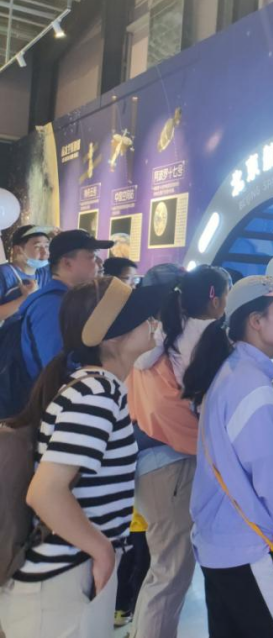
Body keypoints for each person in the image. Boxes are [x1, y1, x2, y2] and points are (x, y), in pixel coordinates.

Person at [0, 277, 165, 637]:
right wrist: (102, 551)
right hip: (61, 586)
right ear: (111, 336)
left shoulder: (97, 388)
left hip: (69, 579)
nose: (154, 322)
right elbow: (45, 492)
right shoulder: (96, 393)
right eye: (142, 317)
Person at [184, 275, 273, 637]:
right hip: (249, 548)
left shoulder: (232, 372)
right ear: (256, 321)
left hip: (221, 544)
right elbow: (270, 479)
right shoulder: (252, 385)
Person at [128, 266, 230, 638]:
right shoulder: (198, 339)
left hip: (151, 462)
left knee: (165, 573)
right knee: (170, 575)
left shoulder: (151, 345)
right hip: (171, 465)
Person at [19, 229, 114, 380]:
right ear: (67, 263)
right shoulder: (52, 306)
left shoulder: (70, 300)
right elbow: (58, 369)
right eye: (92, 256)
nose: (100, 263)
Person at [0, 225, 51, 322]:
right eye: (37, 247)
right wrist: (25, 298)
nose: (45, 252)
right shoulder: (4, 273)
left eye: (46, 246)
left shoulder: (44, 272)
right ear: (18, 250)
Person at [114, 509, 150, 627]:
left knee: (126, 566)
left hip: (127, 523)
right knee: (142, 570)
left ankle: (122, 610)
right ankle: (138, 615)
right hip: (144, 523)